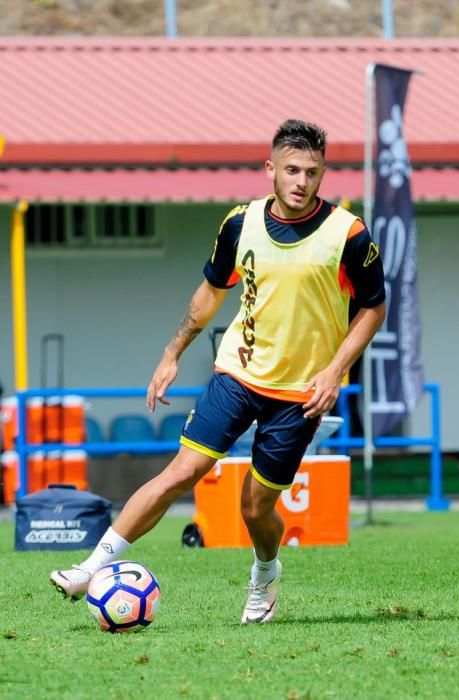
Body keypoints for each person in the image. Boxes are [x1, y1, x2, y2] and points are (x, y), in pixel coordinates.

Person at [50, 119, 386, 623]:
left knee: (254, 508)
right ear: (270, 169)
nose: (301, 181)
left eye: (312, 172)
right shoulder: (240, 224)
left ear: (322, 174)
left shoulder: (349, 235)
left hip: (299, 394)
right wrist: (172, 352)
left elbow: (373, 308)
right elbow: (211, 291)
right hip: (237, 373)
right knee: (181, 472)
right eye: (291, 170)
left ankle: (266, 573)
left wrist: (335, 370)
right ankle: (91, 567)